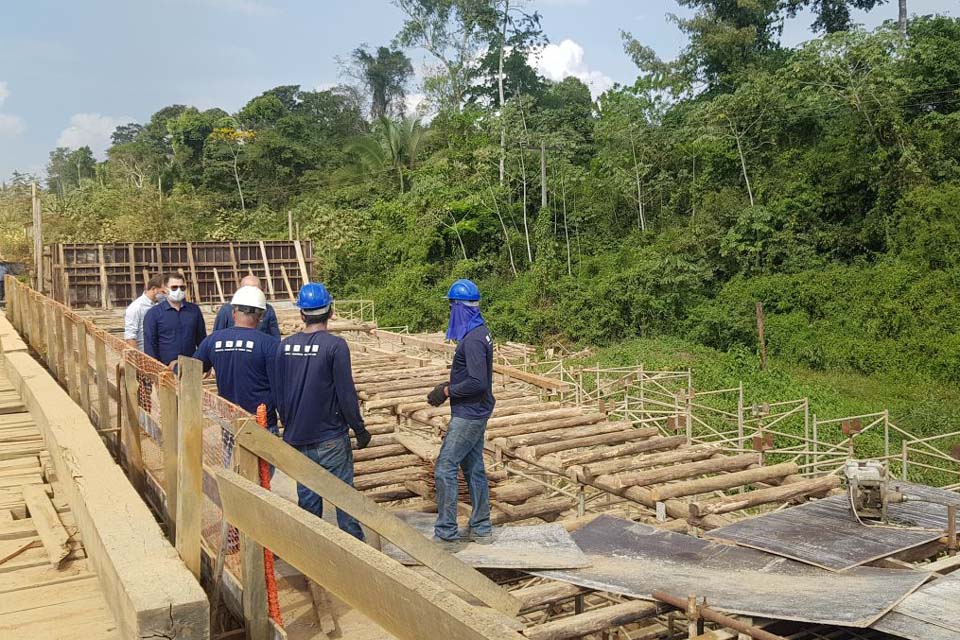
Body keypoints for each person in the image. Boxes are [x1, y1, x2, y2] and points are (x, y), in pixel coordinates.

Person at [273, 282, 371, 540]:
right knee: (345, 502)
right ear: (330, 310)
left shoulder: (285, 346)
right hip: (330, 439)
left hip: (297, 438)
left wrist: (289, 424)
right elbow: (346, 393)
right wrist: (359, 429)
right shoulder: (335, 346)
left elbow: (279, 393)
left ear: (301, 313)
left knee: (308, 504)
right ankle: (357, 560)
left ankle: (312, 560)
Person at [427, 279, 495, 549]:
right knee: (473, 467)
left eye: (451, 307)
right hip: (476, 411)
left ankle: (446, 533)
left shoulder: (474, 340)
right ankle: (481, 527)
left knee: (445, 467)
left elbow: (478, 382)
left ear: (459, 308)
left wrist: (446, 391)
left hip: (469, 415)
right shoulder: (479, 332)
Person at [193, 285, 280, 434]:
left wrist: (175, 366)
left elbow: (193, 368)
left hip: (229, 420)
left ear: (233, 313)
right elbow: (280, 387)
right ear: (260, 317)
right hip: (261, 422)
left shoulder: (213, 340)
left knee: (231, 457)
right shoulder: (270, 344)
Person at [143, 273, 207, 369]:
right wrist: (156, 369)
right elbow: (150, 345)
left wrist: (206, 364)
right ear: (165, 289)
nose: (178, 290)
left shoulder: (194, 310)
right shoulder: (154, 314)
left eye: (182, 288)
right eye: (174, 287)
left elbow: (202, 340)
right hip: (165, 369)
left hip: (190, 368)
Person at [213, 274, 280, 338]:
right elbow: (216, 335)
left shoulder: (267, 309)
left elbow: (274, 337)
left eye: (255, 290)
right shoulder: (226, 309)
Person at [124, 275, 166, 350]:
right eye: (163, 292)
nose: (165, 295)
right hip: (144, 352)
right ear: (154, 289)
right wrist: (138, 358)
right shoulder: (136, 307)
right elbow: (130, 336)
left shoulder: (161, 304)